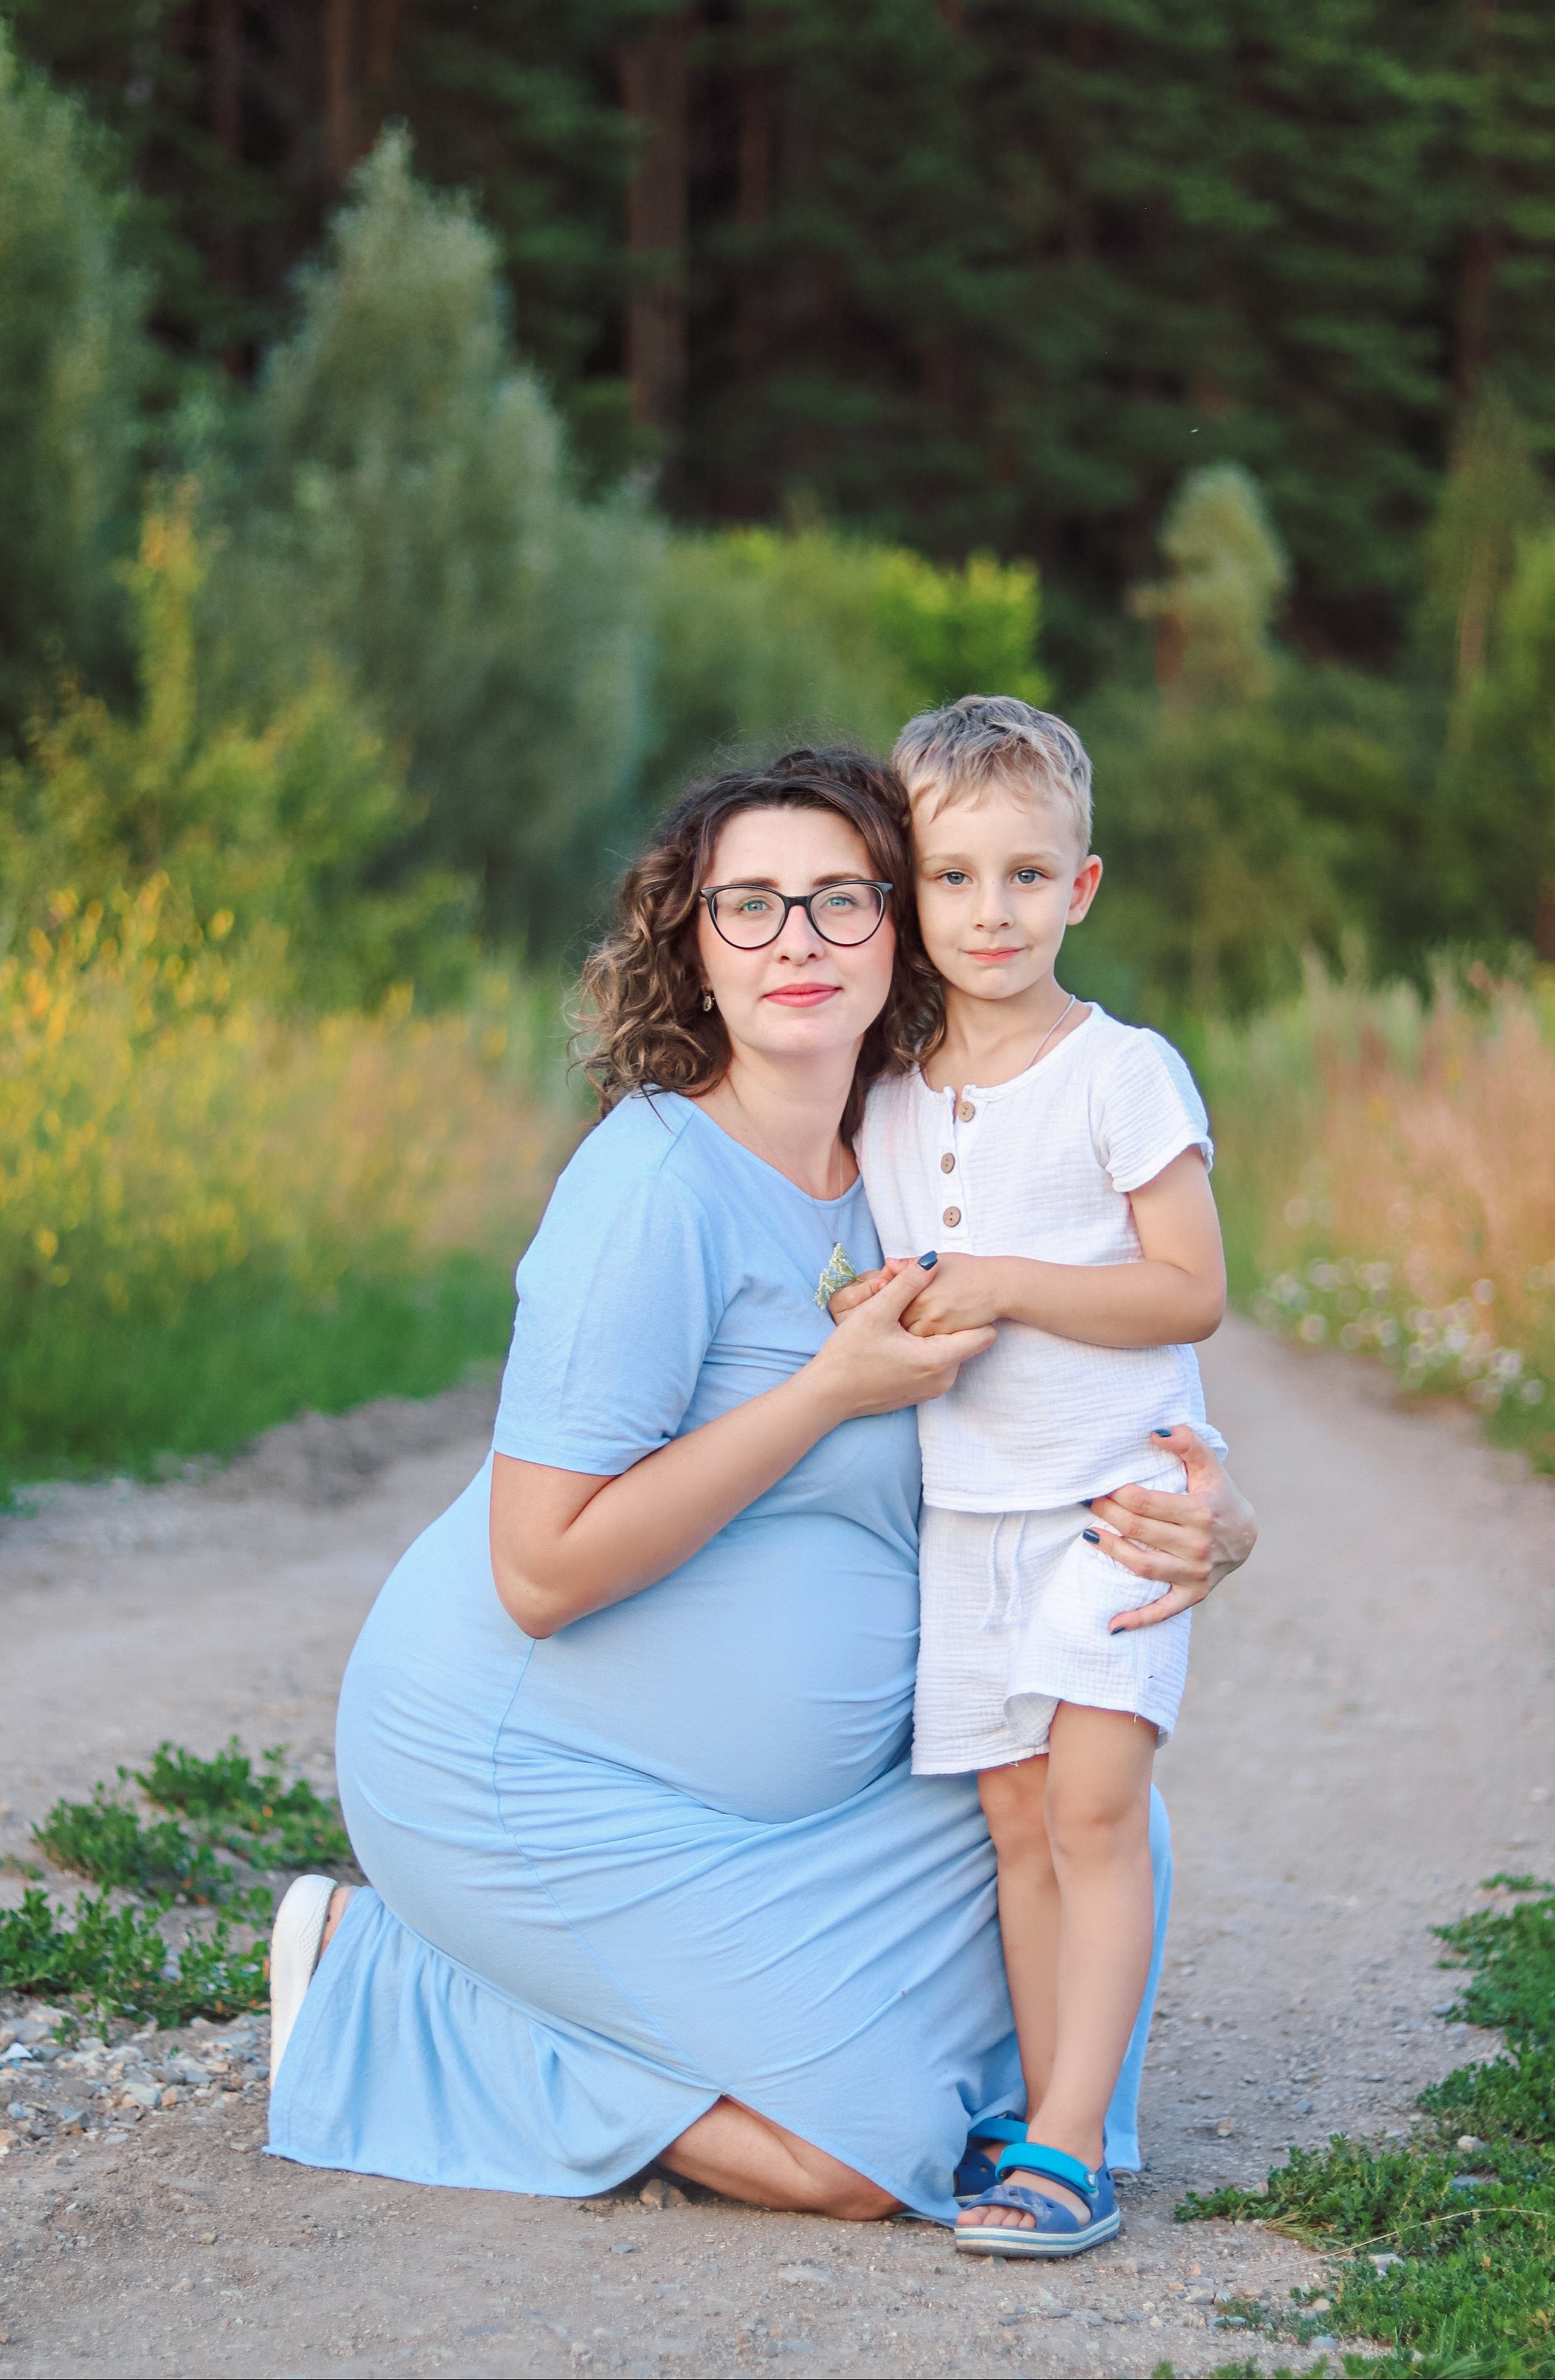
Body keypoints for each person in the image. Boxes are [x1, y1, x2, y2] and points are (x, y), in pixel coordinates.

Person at [265, 750, 1256, 2222]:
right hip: (531, 1775)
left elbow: (1082, 1384)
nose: (796, 939)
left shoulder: (914, 1161)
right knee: (862, 2160)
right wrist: (823, 1391)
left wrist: (1212, 1513)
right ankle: (385, 1975)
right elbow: (538, 1573)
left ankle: (823, 2043)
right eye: (749, 905)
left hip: (797, 1807)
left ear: (901, 927)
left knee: (1098, 1811)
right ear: (695, 945)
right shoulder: (650, 1187)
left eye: (838, 899)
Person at [843, 696, 1227, 2255]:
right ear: (907, 892)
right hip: (969, 1513)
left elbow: (1187, 1289)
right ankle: (1050, 2107)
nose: (987, 911)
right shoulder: (886, 1093)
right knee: (1013, 1816)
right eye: (951, 877)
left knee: (1090, 1805)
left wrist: (999, 1280)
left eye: (1024, 875)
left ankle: (1070, 2149)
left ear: (1081, 886)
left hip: (1112, 1503)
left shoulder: (1120, 1071)